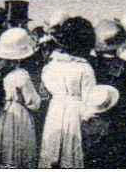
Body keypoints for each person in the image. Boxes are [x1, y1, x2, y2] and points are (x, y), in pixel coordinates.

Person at [39, 18, 99, 168]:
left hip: (55, 111)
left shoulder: (51, 65)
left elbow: (44, 90)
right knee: (72, 151)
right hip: (75, 112)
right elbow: (90, 100)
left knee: (52, 149)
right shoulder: (85, 69)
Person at [0, 26, 42, 169]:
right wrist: (34, 106)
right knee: (15, 149)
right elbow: (33, 101)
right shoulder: (21, 75)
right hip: (17, 116)